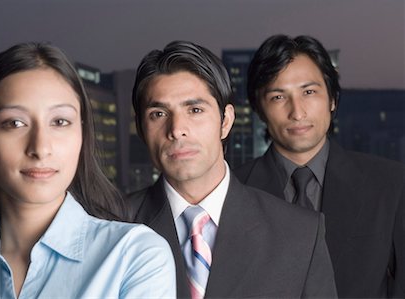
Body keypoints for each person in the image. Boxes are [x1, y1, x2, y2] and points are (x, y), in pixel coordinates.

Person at [0, 42, 176, 298]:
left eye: (60, 122)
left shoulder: (133, 255)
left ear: (81, 133)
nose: (40, 147)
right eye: (15, 123)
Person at [128, 40, 337, 298]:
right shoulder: (109, 225)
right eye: (158, 114)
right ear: (140, 128)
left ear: (225, 121)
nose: (177, 129)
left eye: (195, 110)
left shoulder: (299, 233)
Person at [235, 34, 405, 298]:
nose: (297, 112)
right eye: (279, 97)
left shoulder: (390, 184)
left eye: (309, 92)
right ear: (258, 108)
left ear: (333, 99)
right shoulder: (231, 192)